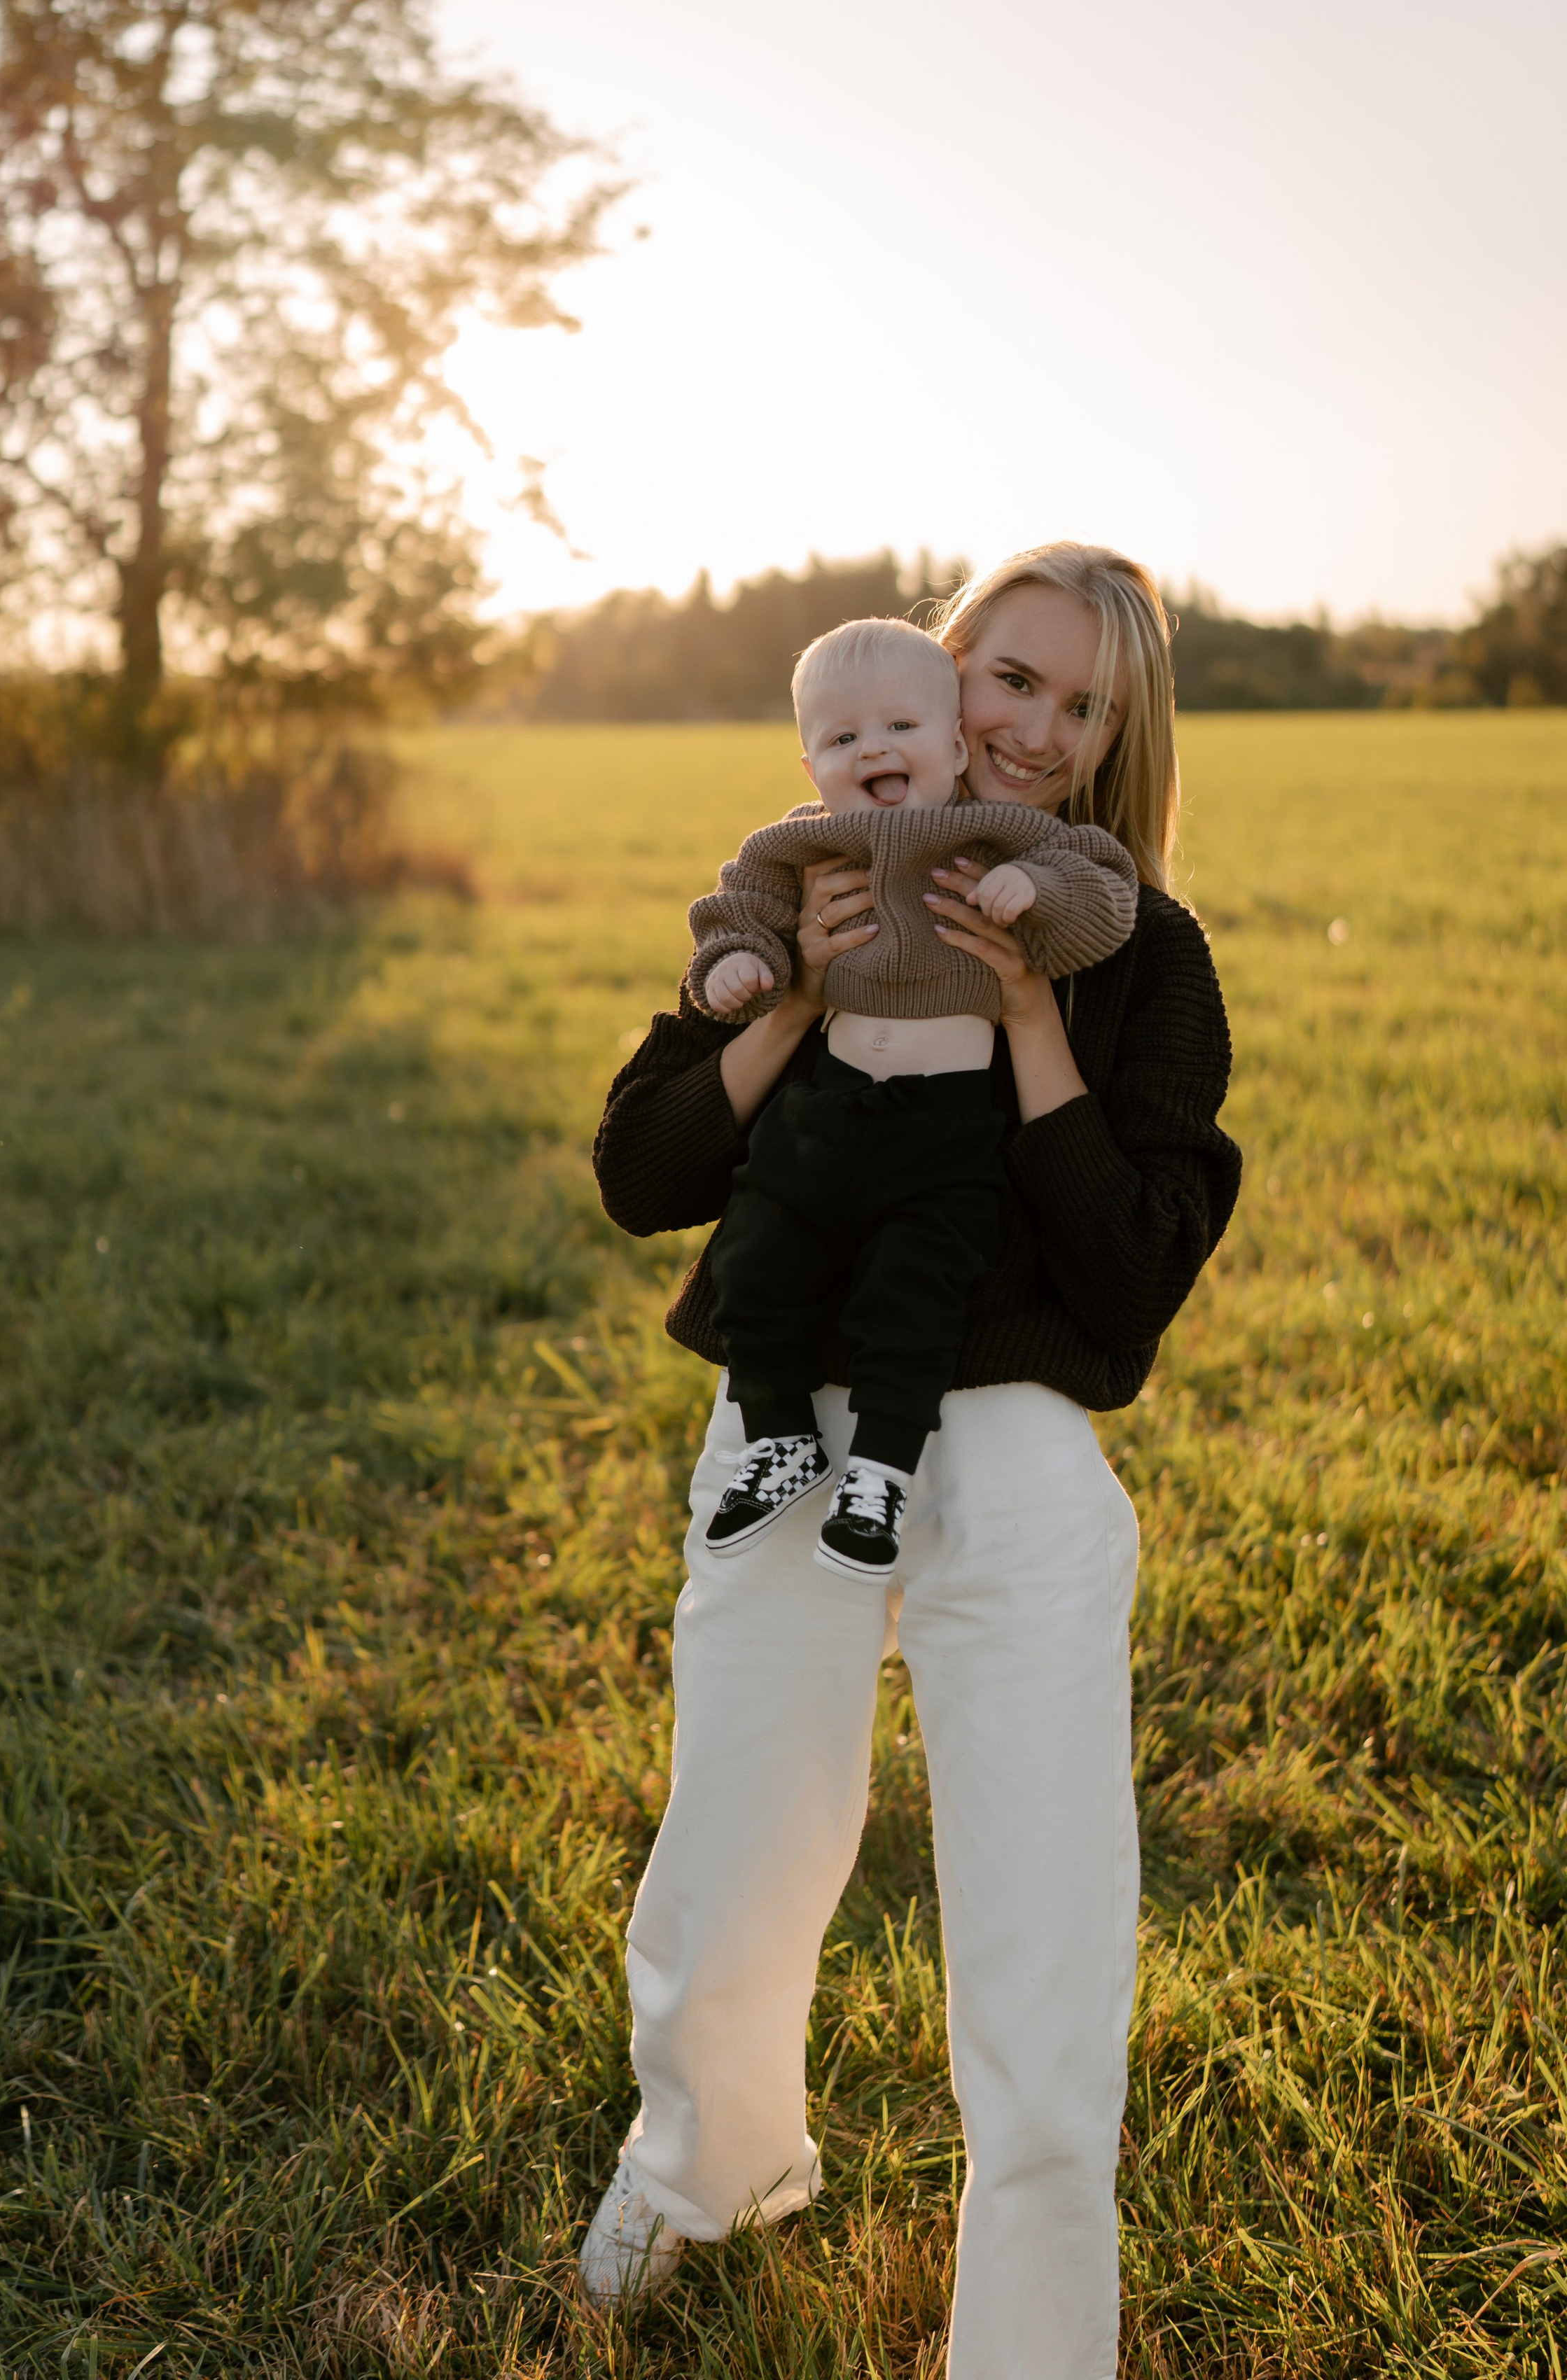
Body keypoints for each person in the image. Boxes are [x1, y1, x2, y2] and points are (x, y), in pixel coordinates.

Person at [580, 542, 1243, 2380]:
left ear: (1119, 740)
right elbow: (642, 1173)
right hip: (792, 1422)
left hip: (1017, 1442)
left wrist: (1029, 1020)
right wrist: (795, 994)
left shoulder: (1137, 946)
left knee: (1042, 1910)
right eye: (1007, 679)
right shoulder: (807, 871)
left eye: (1078, 703)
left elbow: (1131, 1269)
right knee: (738, 1838)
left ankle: (1030, 2341)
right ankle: (713, 2161)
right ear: (941, 678)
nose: (1032, 728)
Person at [688, 615, 1137, 1579]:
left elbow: (1101, 889)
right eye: (843, 739)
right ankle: (780, 1441)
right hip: (827, 1110)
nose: (874, 750)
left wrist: (1030, 889)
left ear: (954, 746)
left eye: (898, 727)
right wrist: (739, 964)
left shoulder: (997, 830)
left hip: (944, 1124)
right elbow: (740, 905)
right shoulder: (805, 846)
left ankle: (880, 1476)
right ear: (810, 766)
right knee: (755, 1258)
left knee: (915, 1287)